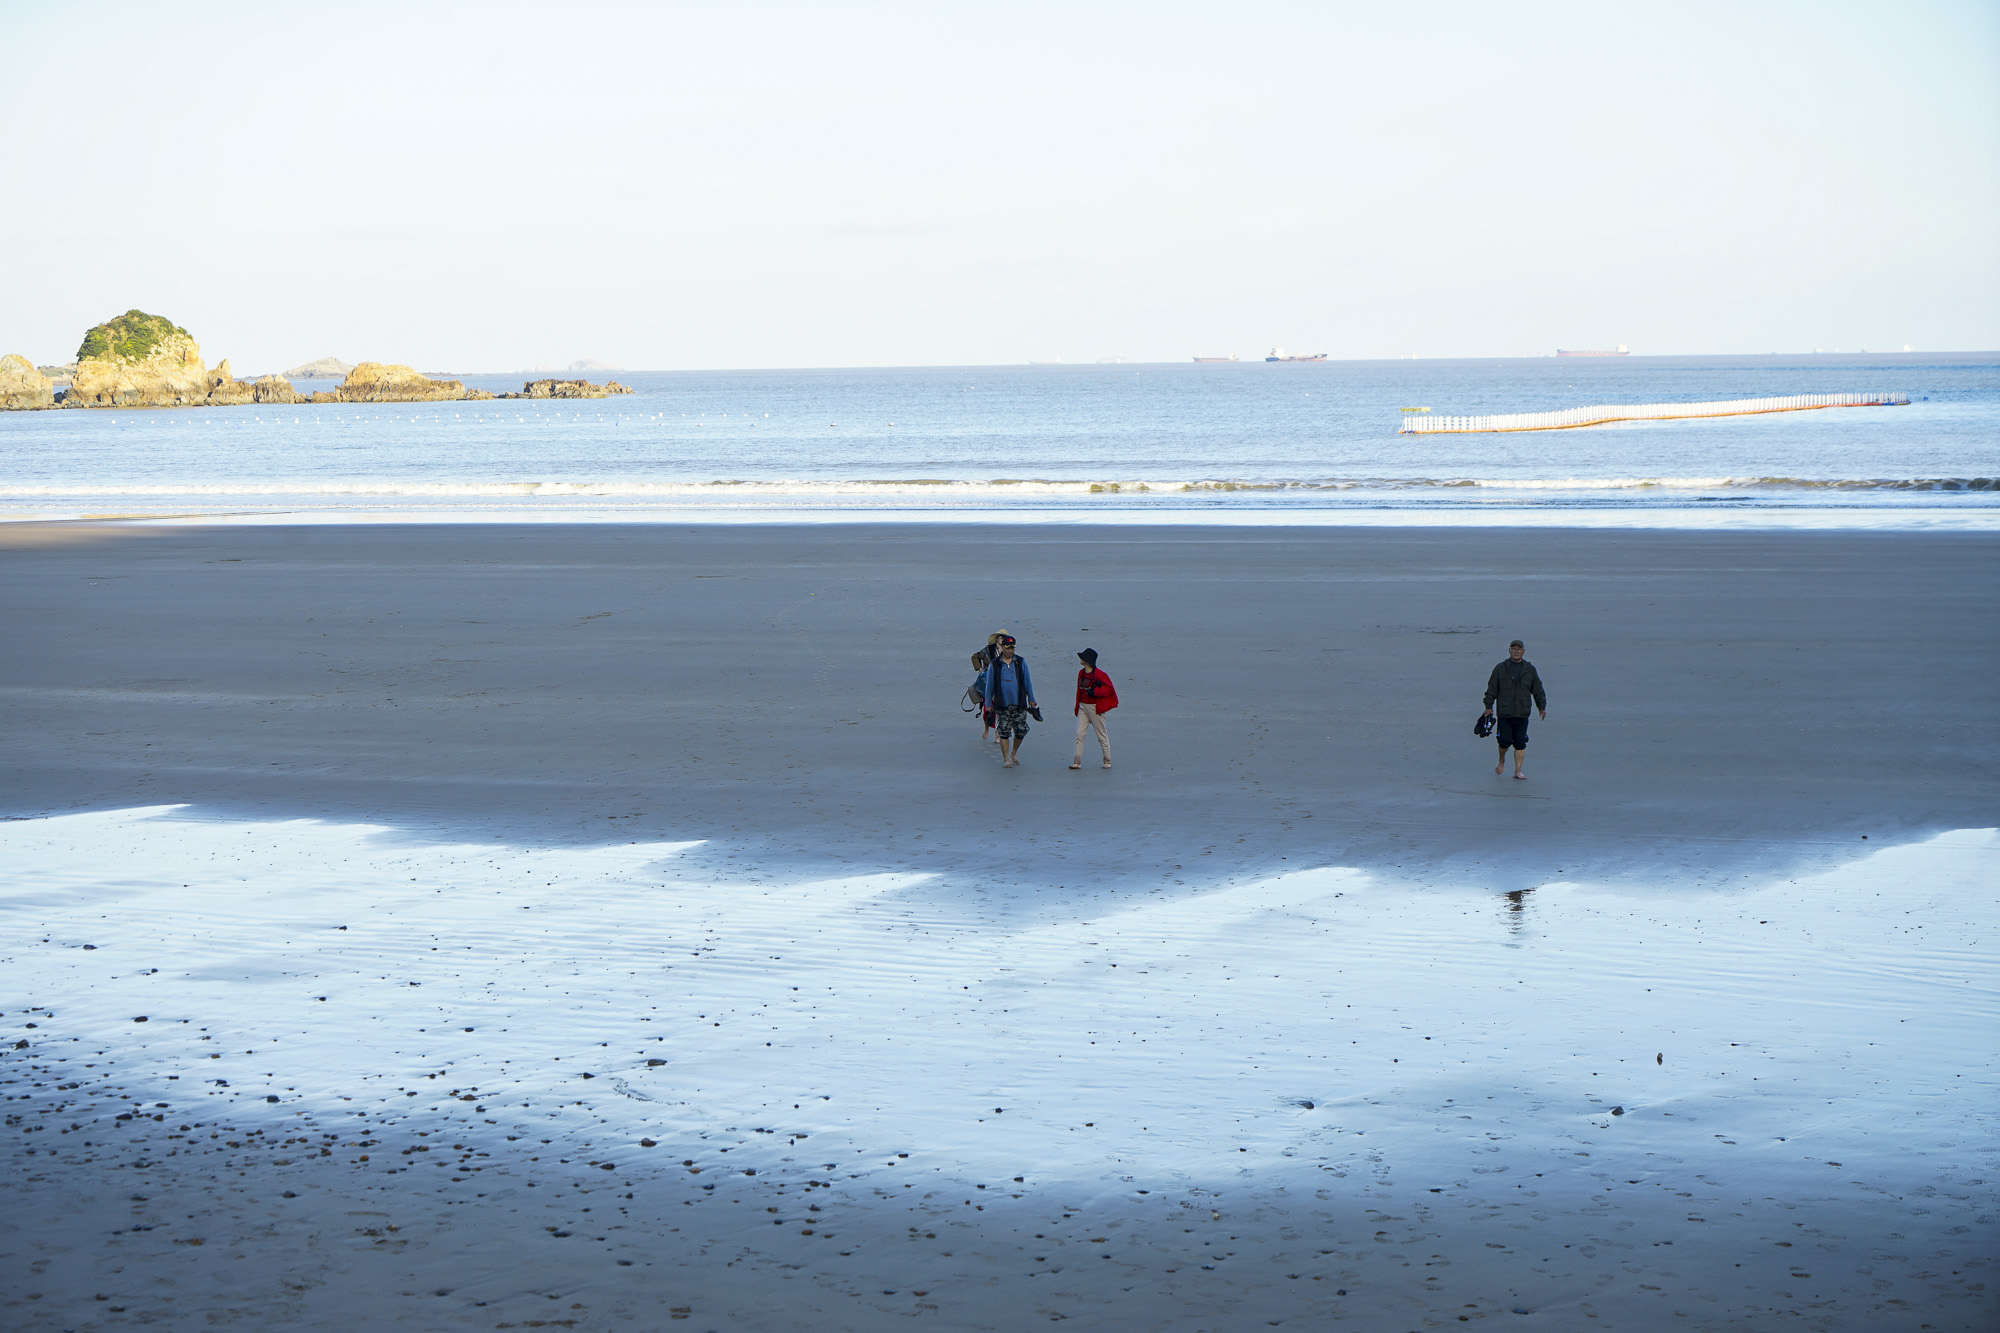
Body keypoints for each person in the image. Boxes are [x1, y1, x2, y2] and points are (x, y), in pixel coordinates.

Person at [1482, 639, 1547, 780]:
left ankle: (1518, 770)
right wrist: (1488, 707)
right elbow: (1492, 688)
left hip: (1522, 712)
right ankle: (1502, 759)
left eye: (1519, 649)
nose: (1516, 651)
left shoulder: (1530, 670)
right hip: (1505, 712)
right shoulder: (1500, 668)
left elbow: (1538, 690)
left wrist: (1541, 707)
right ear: (1509, 651)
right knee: (1504, 741)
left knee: (1520, 742)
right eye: (1513, 649)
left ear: (1523, 651)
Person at [980, 635, 1037, 768]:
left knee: (1021, 730)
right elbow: (989, 686)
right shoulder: (995, 664)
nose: (1010, 650)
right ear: (1002, 648)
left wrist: (1032, 699)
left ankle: (1014, 752)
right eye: (1007, 648)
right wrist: (988, 704)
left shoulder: (1021, 662)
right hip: (1002, 704)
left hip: (1019, 703)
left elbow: (1027, 681)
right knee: (1004, 732)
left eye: (1012, 648)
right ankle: (1006, 758)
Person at [1069, 647, 1117, 770]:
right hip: (1082, 707)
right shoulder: (1081, 673)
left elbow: (1109, 688)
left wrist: (1095, 691)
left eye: (1083, 658)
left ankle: (1107, 760)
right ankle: (1077, 761)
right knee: (1079, 734)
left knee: (1101, 734)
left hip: (1095, 708)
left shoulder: (1100, 674)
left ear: (1088, 660)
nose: (1080, 659)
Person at [970, 633, 1005, 743]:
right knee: (987, 709)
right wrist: (979, 668)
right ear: (997, 639)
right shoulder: (988, 650)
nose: (1002, 640)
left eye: (1004, 638)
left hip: (1002, 683)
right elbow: (975, 656)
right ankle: (986, 728)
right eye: (1000, 637)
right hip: (988, 682)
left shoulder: (1008, 651)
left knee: (1001, 709)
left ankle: (997, 734)